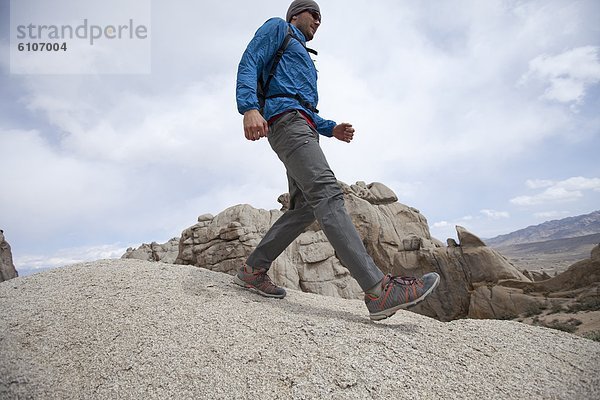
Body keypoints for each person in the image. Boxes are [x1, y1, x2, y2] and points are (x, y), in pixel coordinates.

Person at [234, 0, 440, 321]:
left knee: (304, 208)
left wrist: (331, 129)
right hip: (286, 122)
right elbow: (249, 61)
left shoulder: (302, 54)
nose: (318, 21)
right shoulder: (278, 28)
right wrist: (248, 107)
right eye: (313, 14)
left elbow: (302, 103)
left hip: (300, 124)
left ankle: (253, 269)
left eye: (321, 17)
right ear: (295, 14)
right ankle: (378, 290)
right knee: (328, 193)